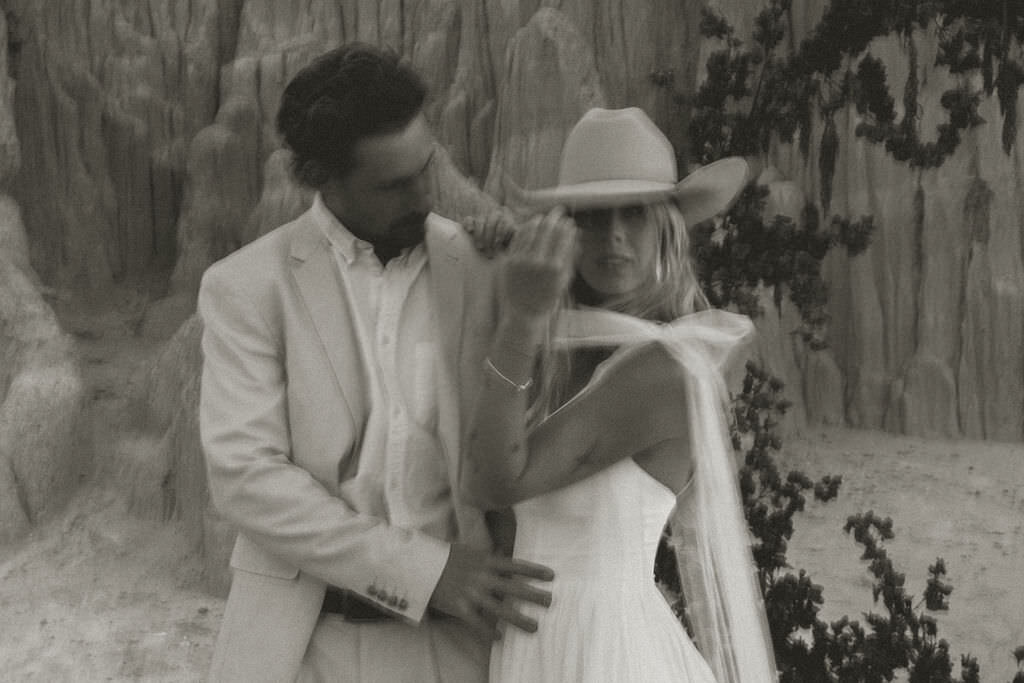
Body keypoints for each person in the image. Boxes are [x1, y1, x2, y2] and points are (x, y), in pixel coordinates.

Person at [197, 43, 553, 683]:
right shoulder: (246, 287)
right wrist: (424, 571)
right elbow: (247, 479)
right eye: (392, 185)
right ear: (321, 178)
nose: (423, 194)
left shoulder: (482, 266)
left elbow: (533, 427)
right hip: (304, 646)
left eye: (427, 166)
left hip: (470, 648)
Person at [459, 107, 778, 682]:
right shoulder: (565, 352)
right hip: (542, 648)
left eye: (634, 212)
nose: (614, 237)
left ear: (667, 226)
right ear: (566, 230)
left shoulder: (665, 368)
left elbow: (492, 481)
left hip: (607, 654)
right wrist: (490, 276)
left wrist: (522, 316)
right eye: (592, 216)